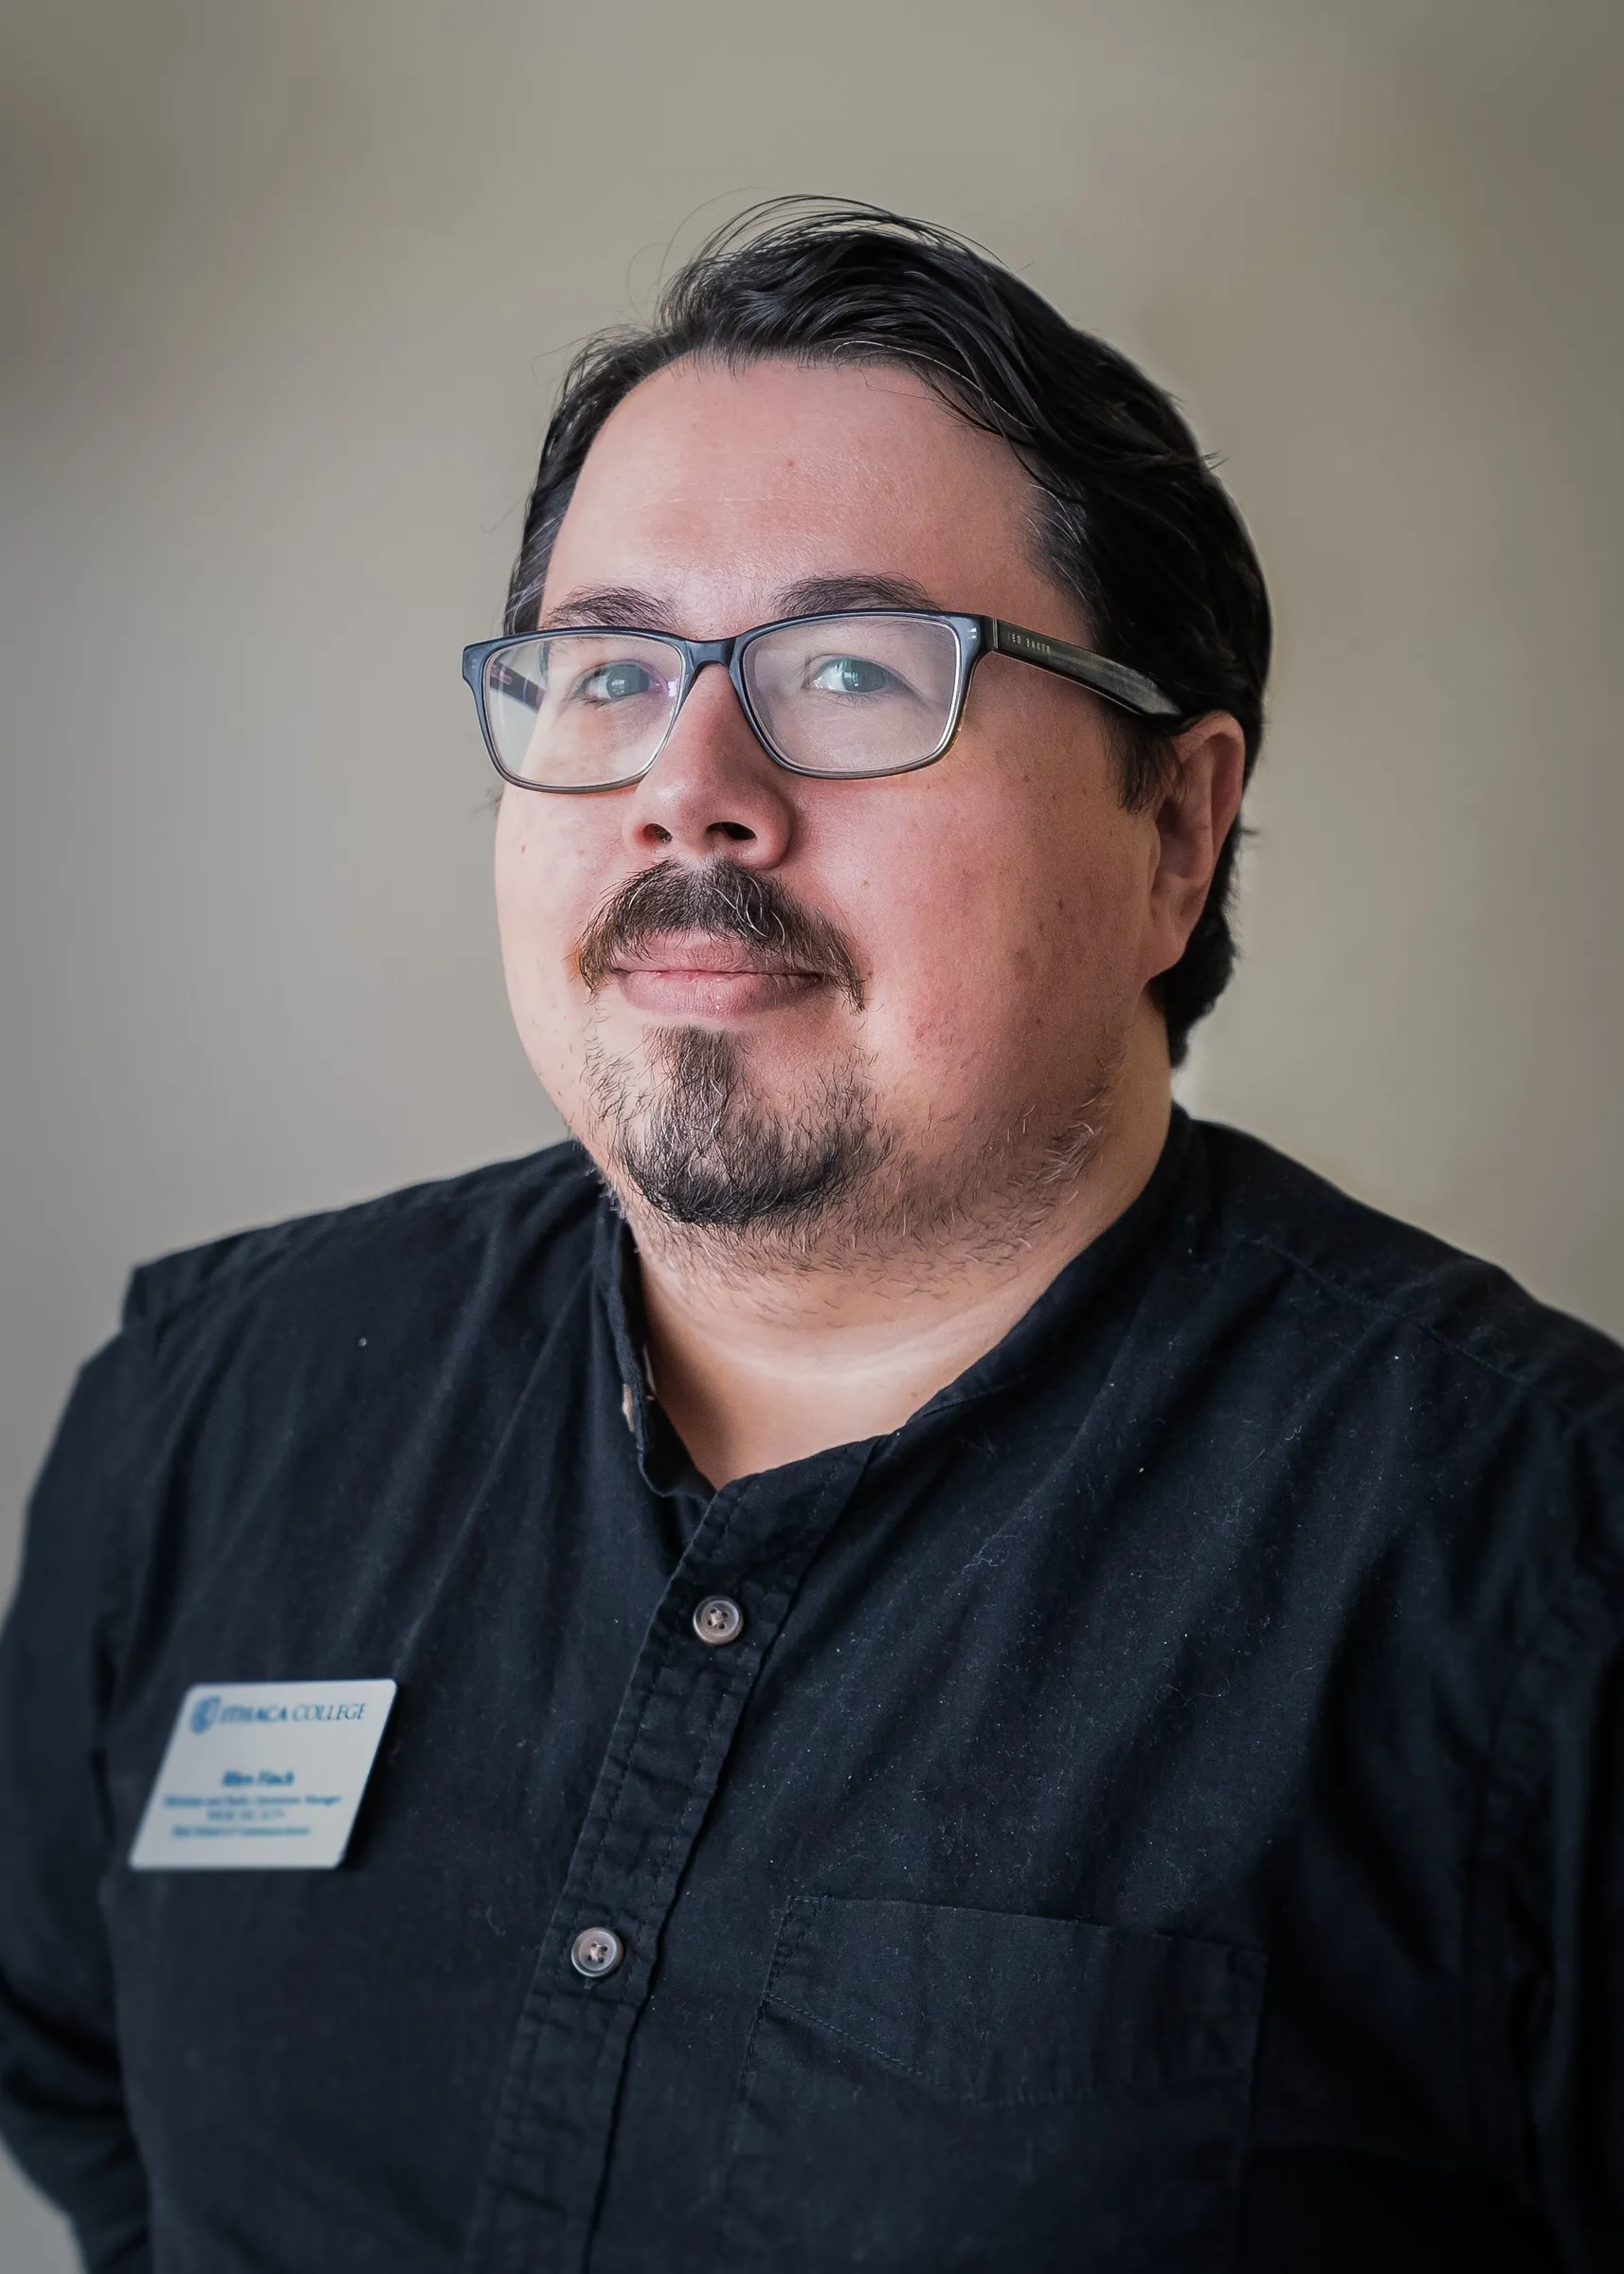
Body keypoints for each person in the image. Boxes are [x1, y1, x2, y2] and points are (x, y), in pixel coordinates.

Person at [0, 199, 1619, 2274]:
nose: (691, 790)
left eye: (851, 671)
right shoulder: (211, 1419)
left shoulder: (1530, 1575)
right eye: (604, 671)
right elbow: (78, 2068)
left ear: (1173, 833)